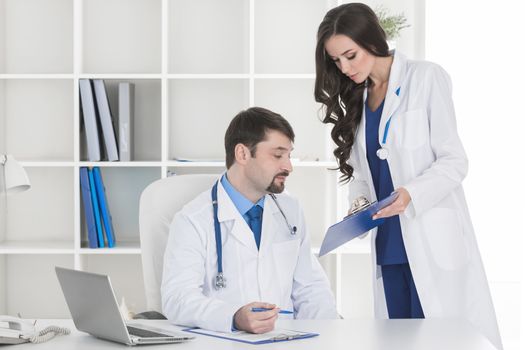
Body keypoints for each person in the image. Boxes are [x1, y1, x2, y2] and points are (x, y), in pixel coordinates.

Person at [314, 3, 502, 349]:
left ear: (371, 40)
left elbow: (454, 161)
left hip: (431, 237)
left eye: (350, 55)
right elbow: (362, 171)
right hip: (389, 243)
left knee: (442, 340)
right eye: (336, 61)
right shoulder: (358, 99)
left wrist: (411, 193)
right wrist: (359, 201)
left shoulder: (426, 77)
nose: (345, 68)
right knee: (400, 343)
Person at [161, 107, 338, 334]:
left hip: (284, 339)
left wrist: (331, 337)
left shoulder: (290, 210)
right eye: (277, 155)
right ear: (242, 154)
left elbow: (311, 289)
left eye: (289, 155)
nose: (288, 166)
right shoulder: (193, 220)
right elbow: (177, 299)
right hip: (223, 341)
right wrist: (233, 317)